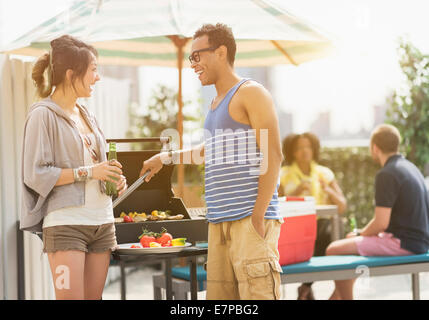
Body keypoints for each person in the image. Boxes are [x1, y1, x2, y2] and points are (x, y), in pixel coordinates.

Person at [140, 23, 284, 300]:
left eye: (197, 56)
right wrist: (167, 158)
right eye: (190, 57)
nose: (192, 64)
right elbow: (211, 150)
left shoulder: (251, 93)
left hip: (249, 221)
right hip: (219, 223)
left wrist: (257, 215)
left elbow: (274, 154)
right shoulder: (216, 103)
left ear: (220, 52)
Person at [20, 35, 127, 300]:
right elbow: (36, 174)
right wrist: (90, 172)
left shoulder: (86, 115)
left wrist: (113, 179)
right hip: (66, 225)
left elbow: (98, 166)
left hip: (102, 223)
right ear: (71, 74)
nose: (97, 77)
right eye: (93, 70)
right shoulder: (41, 115)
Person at [325, 124, 429, 300]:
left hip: (403, 244)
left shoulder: (387, 173)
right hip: (420, 242)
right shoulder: (411, 168)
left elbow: (381, 223)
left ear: (375, 148)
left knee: (334, 250)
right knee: (350, 252)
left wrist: (360, 233)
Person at [280, 132, 347, 299]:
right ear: (292, 152)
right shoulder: (283, 174)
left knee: (331, 229)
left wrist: (329, 190)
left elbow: (342, 206)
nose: (305, 151)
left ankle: (305, 286)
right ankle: (306, 287)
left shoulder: (324, 174)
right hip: (295, 229)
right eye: (299, 148)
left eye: (308, 147)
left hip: (323, 227)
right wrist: (296, 192)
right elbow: (276, 205)